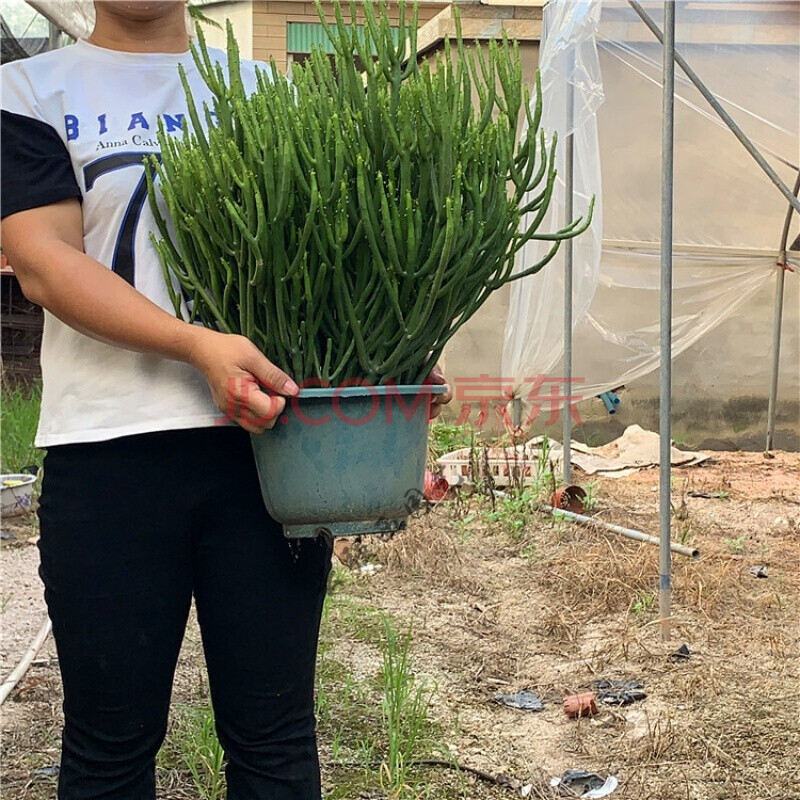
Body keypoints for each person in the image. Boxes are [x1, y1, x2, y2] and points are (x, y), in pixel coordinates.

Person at [0, 3, 451, 799]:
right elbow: (42, 263)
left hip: (269, 455)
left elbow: (328, 254)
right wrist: (197, 346)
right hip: (108, 455)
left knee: (274, 740)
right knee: (109, 744)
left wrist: (396, 358)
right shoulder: (32, 90)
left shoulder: (260, 90)